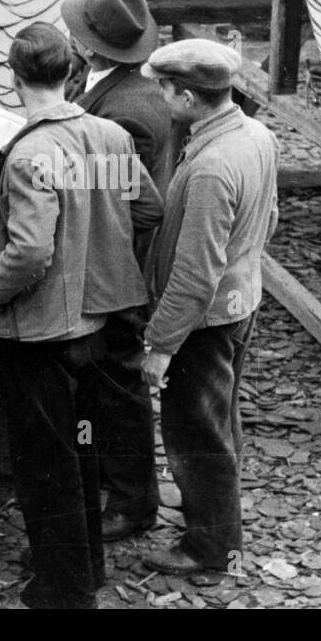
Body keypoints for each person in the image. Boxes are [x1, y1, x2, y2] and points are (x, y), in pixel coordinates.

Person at [0, 22, 162, 609]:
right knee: (80, 451)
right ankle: (86, 566)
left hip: (39, 332)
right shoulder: (108, 135)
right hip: (97, 324)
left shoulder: (31, 152)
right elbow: (149, 209)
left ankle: (63, 590)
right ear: (71, 71)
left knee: (44, 462)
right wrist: (100, 248)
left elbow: (30, 250)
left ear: (14, 77)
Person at [137, 39, 279, 577]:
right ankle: (216, 525)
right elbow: (269, 217)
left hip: (204, 321)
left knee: (196, 435)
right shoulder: (256, 136)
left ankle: (210, 548)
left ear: (191, 98)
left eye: (166, 90)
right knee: (219, 421)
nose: (160, 98)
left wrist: (160, 345)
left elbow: (195, 276)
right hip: (240, 302)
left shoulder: (211, 168)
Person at [62, 0, 174, 541]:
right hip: (111, 270)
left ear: (88, 46)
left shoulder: (127, 115)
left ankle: (133, 502)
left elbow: (131, 209)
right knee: (105, 382)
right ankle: (111, 479)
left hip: (117, 276)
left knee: (119, 387)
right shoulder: (112, 85)